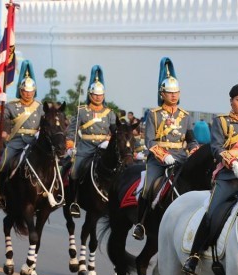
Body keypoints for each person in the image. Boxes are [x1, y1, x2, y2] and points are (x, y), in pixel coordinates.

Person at [182, 65, 238, 275]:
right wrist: (233, 163)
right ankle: (194, 255)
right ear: (231, 101)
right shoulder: (221, 121)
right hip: (228, 177)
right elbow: (216, 148)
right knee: (212, 212)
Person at [132, 57, 196, 240]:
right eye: (169, 92)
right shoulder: (153, 115)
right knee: (147, 186)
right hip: (159, 160)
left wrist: (193, 150)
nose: (173, 95)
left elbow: (190, 139)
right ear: (162, 94)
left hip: (180, 157)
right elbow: (150, 141)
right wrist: (163, 155)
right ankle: (141, 223)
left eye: (176, 92)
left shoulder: (185, 116)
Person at [65, 65, 119, 218]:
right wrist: (70, 146)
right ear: (90, 94)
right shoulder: (81, 111)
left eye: (100, 95)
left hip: (103, 147)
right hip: (85, 147)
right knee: (75, 171)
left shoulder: (109, 113)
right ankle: (74, 200)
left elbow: (115, 132)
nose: (98, 97)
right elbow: (71, 131)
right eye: (95, 95)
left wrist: (111, 142)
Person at [0, 60, 43, 208]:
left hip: (34, 142)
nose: (28, 94)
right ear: (20, 91)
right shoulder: (11, 106)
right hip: (17, 140)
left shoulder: (40, 107)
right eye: (25, 91)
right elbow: (1, 120)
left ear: (34, 91)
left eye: (30, 91)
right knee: (3, 161)